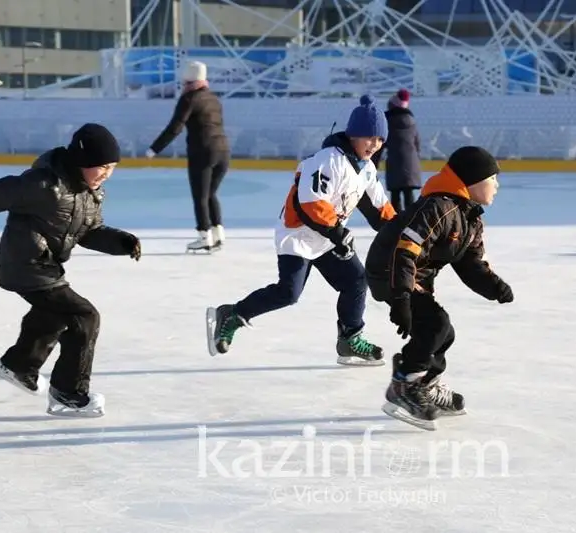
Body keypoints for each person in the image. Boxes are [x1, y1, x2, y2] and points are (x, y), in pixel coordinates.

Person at [0, 123, 142, 418]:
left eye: (111, 167)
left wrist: (121, 242)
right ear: (82, 161)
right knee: (83, 316)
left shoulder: (89, 193)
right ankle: (68, 394)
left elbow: (89, 231)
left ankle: (19, 365)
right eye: (101, 166)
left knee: (54, 314)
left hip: (46, 267)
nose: (106, 174)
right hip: (26, 265)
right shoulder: (42, 184)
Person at [206, 95, 396, 366]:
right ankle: (233, 314)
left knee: (356, 280)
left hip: (328, 236)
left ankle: (349, 339)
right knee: (288, 293)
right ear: (354, 134)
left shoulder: (366, 168)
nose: (374, 145)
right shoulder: (329, 160)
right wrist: (338, 233)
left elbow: (380, 207)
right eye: (369, 137)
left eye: (379, 140)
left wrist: (399, 230)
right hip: (298, 233)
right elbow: (310, 203)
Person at [364, 146, 514, 430]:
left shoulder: (470, 219)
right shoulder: (438, 208)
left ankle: (426, 385)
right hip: (390, 271)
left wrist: (495, 287)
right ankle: (404, 385)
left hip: (414, 278)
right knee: (435, 324)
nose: (497, 185)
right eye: (492, 178)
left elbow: (471, 264)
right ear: (473, 180)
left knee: (444, 333)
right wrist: (401, 298)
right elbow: (405, 250)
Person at [145, 60, 230, 252]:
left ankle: (204, 236)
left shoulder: (189, 98)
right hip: (223, 151)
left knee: (200, 195)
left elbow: (175, 127)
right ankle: (218, 233)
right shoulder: (214, 98)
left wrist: (154, 149)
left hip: (203, 151)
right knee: (210, 194)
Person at [372, 89, 423, 213]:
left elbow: (379, 144)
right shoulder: (412, 120)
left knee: (395, 196)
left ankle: (397, 223)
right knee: (409, 193)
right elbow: (417, 143)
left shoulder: (387, 122)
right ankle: (411, 221)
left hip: (395, 161)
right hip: (411, 162)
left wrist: (373, 164)